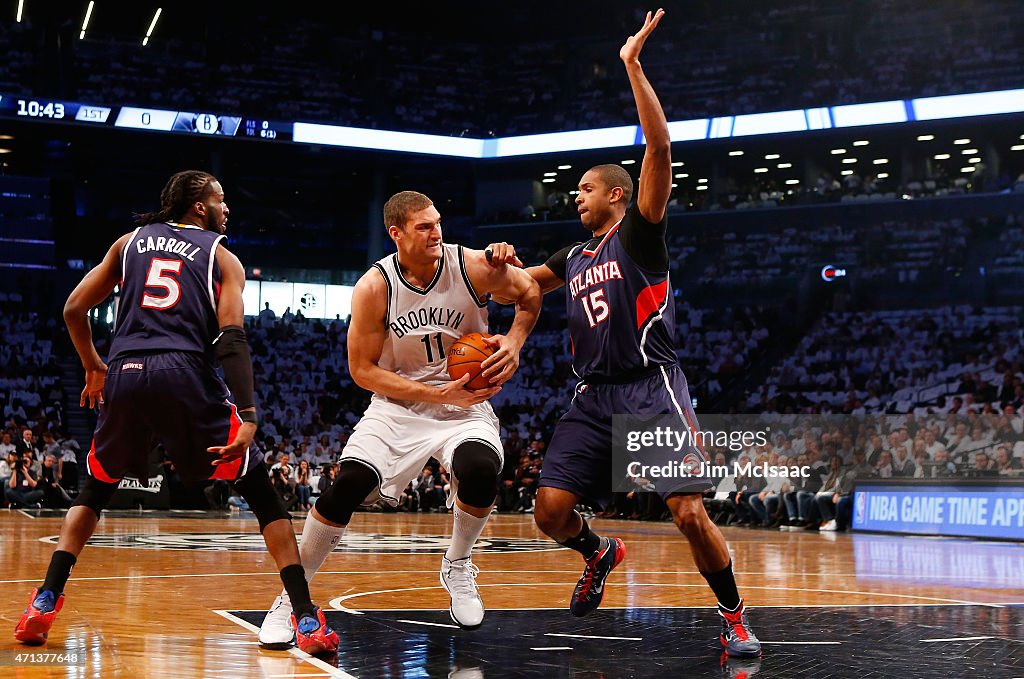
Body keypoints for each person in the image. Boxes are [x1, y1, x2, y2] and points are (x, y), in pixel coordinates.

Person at [486, 10, 760, 657]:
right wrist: (494, 261)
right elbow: (518, 288)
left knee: (689, 511)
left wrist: (633, 65)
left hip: (650, 388)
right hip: (593, 395)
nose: (575, 197)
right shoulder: (573, 256)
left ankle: (736, 617)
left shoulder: (638, 232)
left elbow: (660, 151)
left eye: (585, 188)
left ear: (616, 193)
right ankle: (599, 549)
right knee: (549, 511)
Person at [14, 170, 338, 655]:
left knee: (96, 488)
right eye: (221, 200)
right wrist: (248, 413)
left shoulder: (128, 243)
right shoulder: (221, 255)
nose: (228, 209)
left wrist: (93, 366)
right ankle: (308, 621)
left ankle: (43, 602)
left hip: (125, 371)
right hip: (184, 370)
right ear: (201, 208)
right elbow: (230, 338)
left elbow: (72, 309)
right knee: (259, 491)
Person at [257, 189, 541, 647]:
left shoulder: (472, 265)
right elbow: (362, 370)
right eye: (423, 227)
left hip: (463, 405)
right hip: (398, 406)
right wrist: (432, 391)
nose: (436, 232)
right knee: (345, 486)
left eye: (438, 223)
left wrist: (514, 341)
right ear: (397, 234)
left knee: (481, 471)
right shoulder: (375, 287)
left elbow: (529, 293)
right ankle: (294, 598)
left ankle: (458, 563)